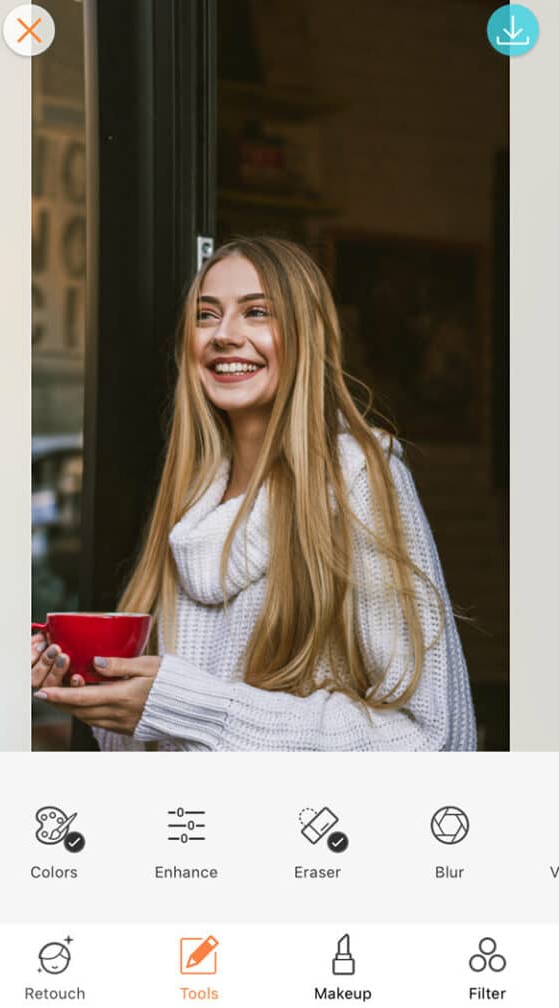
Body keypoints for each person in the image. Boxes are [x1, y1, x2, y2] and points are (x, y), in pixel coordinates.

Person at [32, 237, 476, 752]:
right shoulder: (191, 502)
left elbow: (432, 739)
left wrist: (196, 709)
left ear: (305, 337)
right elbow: (165, 747)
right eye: (206, 315)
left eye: (256, 312)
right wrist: (103, 700)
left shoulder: (357, 477)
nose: (224, 335)